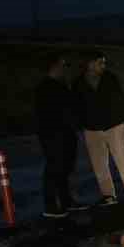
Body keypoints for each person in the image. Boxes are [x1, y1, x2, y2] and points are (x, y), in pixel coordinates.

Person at [77, 52, 124, 207]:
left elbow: (120, 99)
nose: (103, 66)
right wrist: (82, 123)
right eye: (100, 63)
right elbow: (77, 105)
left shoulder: (110, 78)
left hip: (114, 126)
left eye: (104, 63)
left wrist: (123, 122)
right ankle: (108, 196)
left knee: (123, 161)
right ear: (90, 64)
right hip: (92, 129)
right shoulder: (79, 83)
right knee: (99, 164)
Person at [35, 54, 82, 218]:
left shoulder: (60, 86)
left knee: (65, 168)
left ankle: (66, 200)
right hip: (53, 134)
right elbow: (48, 114)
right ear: (54, 66)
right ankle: (50, 206)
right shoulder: (45, 88)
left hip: (66, 132)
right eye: (63, 65)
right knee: (55, 168)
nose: (66, 69)